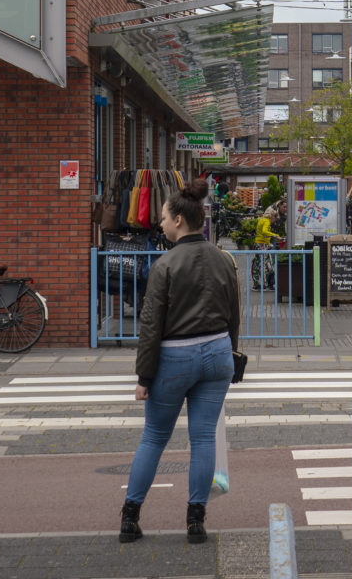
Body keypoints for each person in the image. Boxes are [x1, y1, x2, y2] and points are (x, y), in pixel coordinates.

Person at [123, 175, 240, 545]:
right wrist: (231, 356)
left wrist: (144, 376)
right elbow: (233, 314)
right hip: (218, 352)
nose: (159, 222)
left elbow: (150, 325)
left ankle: (130, 518)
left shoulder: (165, 264)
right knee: (204, 438)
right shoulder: (224, 260)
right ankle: (195, 521)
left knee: (155, 437)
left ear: (178, 221)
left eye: (162, 217)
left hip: (175, 357)